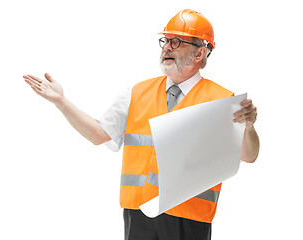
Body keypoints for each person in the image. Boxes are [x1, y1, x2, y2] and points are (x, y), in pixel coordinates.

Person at [23, 9, 259, 240]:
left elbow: (248, 156)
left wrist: (248, 127)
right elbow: (98, 134)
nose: (167, 46)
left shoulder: (223, 101)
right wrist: (61, 102)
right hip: (138, 215)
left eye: (177, 42)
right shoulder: (137, 92)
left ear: (200, 54)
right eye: (166, 40)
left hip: (190, 217)